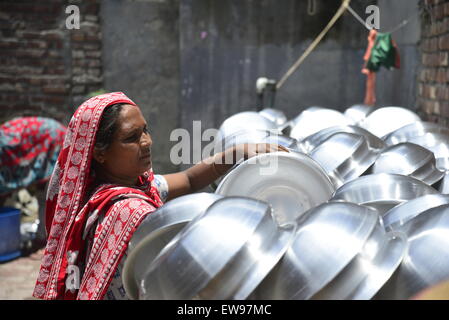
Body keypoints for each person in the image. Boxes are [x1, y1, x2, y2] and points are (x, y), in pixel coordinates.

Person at [33, 92, 286, 300]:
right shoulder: (129, 211)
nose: (146, 142)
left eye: (145, 130)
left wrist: (237, 153)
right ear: (99, 152)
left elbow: (188, 179)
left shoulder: (118, 190)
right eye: (131, 138)